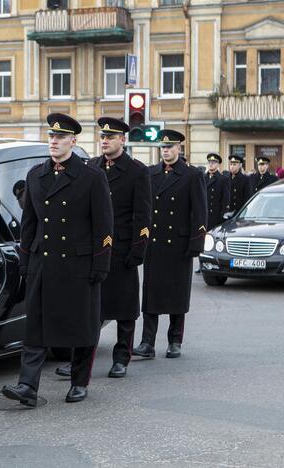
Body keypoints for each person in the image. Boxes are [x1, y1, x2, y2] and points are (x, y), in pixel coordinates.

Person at [1, 113, 113, 406]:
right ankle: (27, 385)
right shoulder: (36, 175)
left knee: (82, 325)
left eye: (60, 137)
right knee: (36, 326)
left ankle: (79, 381)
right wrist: (26, 262)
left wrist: (100, 264)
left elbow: (104, 225)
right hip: (44, 262)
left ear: (73, 142)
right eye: (51, 136)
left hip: (79, 263)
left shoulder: (91, 176)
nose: (54, 141)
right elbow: (29, 223)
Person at [56, 117, 151, 380]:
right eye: (102, 137)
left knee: (124, 308)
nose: (105, 141)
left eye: (110, 137)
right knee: (89, 310)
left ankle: (121, 357)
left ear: (122, 139)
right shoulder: (91, 167)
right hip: (93, 251)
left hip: (122, 251)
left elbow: (143, 217)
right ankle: (79, 361)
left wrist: (138, 250)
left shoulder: (136, 171)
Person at [133, 130, 206, 360]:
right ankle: (147, 342)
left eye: (170, 147)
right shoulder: (150, 173)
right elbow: (142, 209)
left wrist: (196, 243)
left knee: (177, 295)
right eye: (163, 147)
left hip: (179, 244)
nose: (166, 151)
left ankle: (175, 341)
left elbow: (200, 213)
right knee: (151, 295)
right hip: (154, 244)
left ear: (179, 149)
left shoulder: (191, 175)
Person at [204, 153, 230, 229]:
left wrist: (222, 217)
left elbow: (225, 200)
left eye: (214, 162)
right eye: (209, 162)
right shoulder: (203, 177)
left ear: (218, 164)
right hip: (204, 216)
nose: (211, 164)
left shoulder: (223, 179)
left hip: (215, 217)